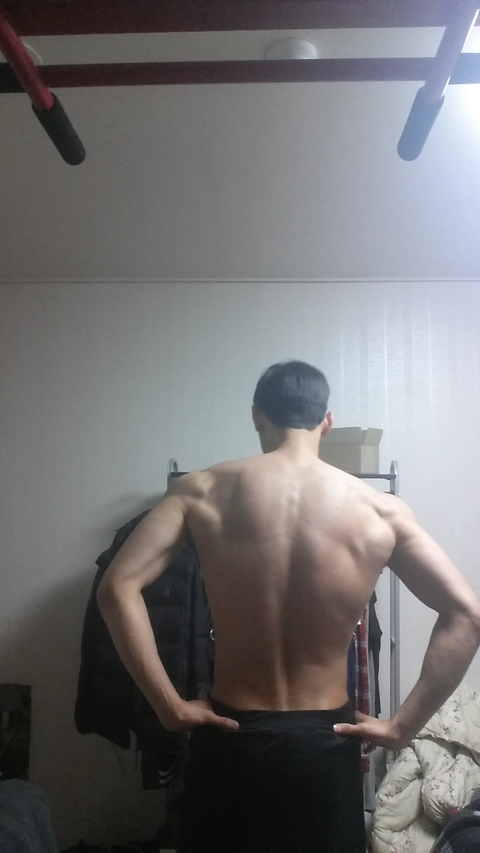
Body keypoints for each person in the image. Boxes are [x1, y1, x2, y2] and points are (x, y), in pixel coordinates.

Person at [97, 361, 480, 853]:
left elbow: (116, 588)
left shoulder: (200, 491)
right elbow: (467, 616)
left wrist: (168, 707)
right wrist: (402, 725)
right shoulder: (379, 510)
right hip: (325, 743)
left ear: (258, 416)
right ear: (327, 421)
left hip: (230, 736)